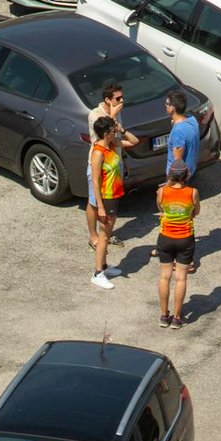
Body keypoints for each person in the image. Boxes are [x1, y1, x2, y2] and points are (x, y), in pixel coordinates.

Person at [87, 84, 138, 251]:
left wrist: (123, 159)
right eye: (118, 98)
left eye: (122, 97)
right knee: (95, 203)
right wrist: (113, 116)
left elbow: (118, 139)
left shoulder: (118, 113)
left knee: (111, 201)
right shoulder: (95, 115)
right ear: (107, 100)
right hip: (99, 164)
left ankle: (106, 233)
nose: (122, 100)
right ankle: (94, 236)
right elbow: (99, 140)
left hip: (114, 163)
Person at [156, 163, 200, 329]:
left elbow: (160, 208)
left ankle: (163, 315)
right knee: (181, 277)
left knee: (164, 276)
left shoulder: (162, 192)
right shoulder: (192, 192)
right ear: (186, 175)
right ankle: (176, 318)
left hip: (166, 237)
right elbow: (196, 212)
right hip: (185, 238)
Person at [89, 116, 126, 290]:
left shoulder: (111, 145)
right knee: (104, 236)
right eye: (112, 131)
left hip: (116, 195)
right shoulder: (98, 152)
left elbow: (133, 141)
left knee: (107, 235)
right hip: (107, 197)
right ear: (105, 133)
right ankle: (97, 273)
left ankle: (104, 267)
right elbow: (95, 181)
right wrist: (101, 206)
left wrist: (121, 130)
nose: (115, 132)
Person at [164, 90, 200, 177]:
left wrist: (168, 184)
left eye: (166, 103)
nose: (165, 105)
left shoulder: (178, 131)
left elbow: (177, 165)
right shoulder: (192, 120)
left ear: (172, 108)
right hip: (191, 170)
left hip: (179, 179)